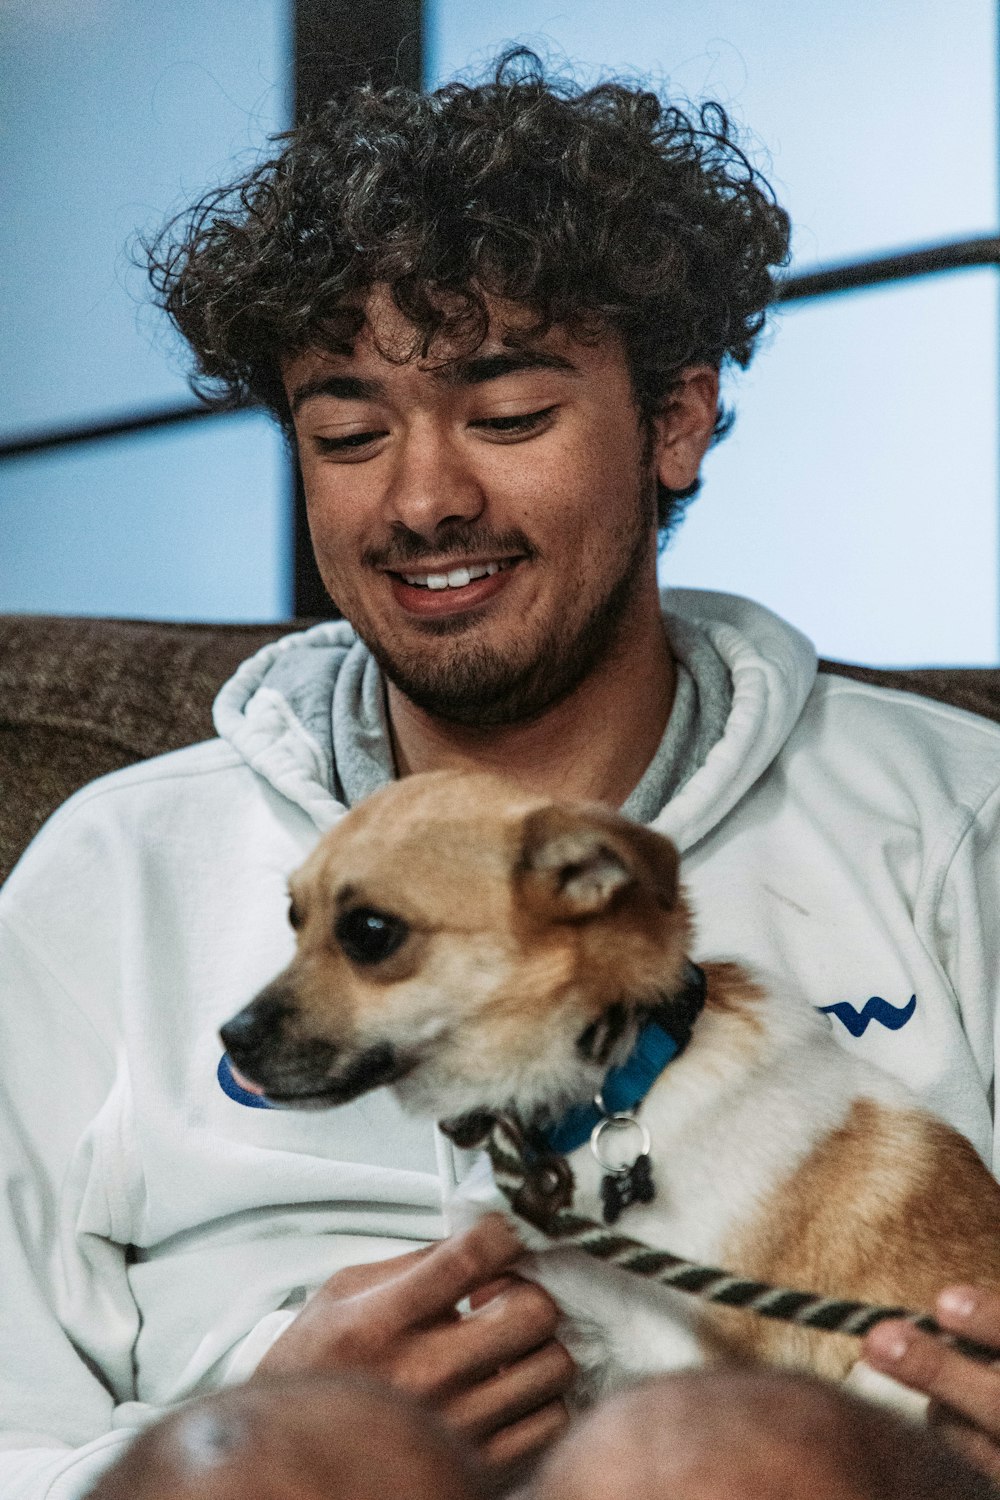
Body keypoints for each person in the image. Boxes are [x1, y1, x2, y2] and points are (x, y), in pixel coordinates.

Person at [1, 48, 1000, 1500]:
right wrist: (228, 1418)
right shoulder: (115, 873)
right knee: (269, 1460)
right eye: (346, 433)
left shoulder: (952, 816)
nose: (421, 500)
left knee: (710, 1455)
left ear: (674, 420)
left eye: (510, 416)